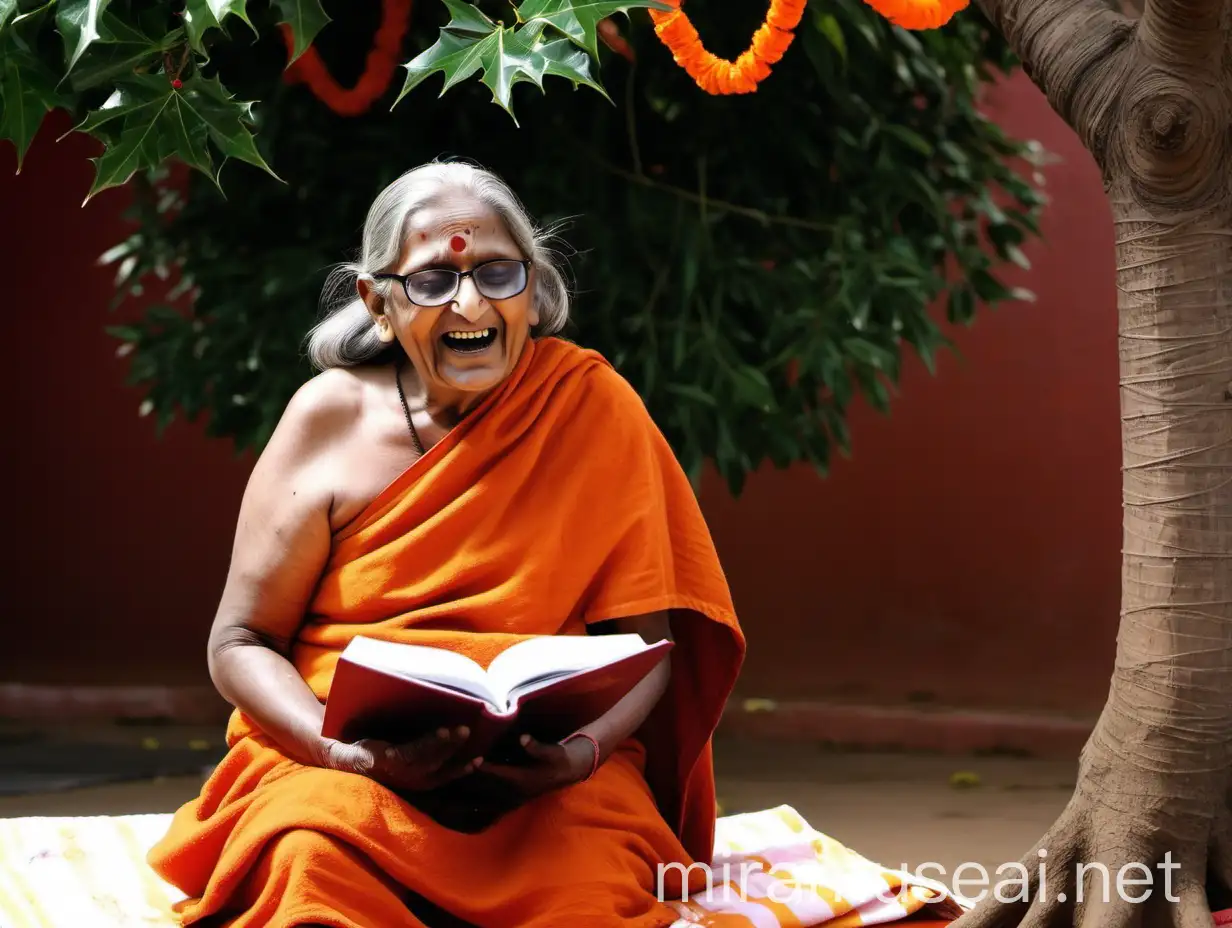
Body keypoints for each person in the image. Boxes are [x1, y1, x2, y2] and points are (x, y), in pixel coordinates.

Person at [147, 161, 746, 928]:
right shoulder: (328, 419)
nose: (470, 302)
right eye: (432, 280)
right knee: (310, 865)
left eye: (497, 272)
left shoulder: (593, 406)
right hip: (347, 769)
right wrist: (339, 754)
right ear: (379, 303)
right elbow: (241, 638)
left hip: (547, 782)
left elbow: (647, 650)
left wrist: (575, 759)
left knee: (592, 892)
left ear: (532, 288)